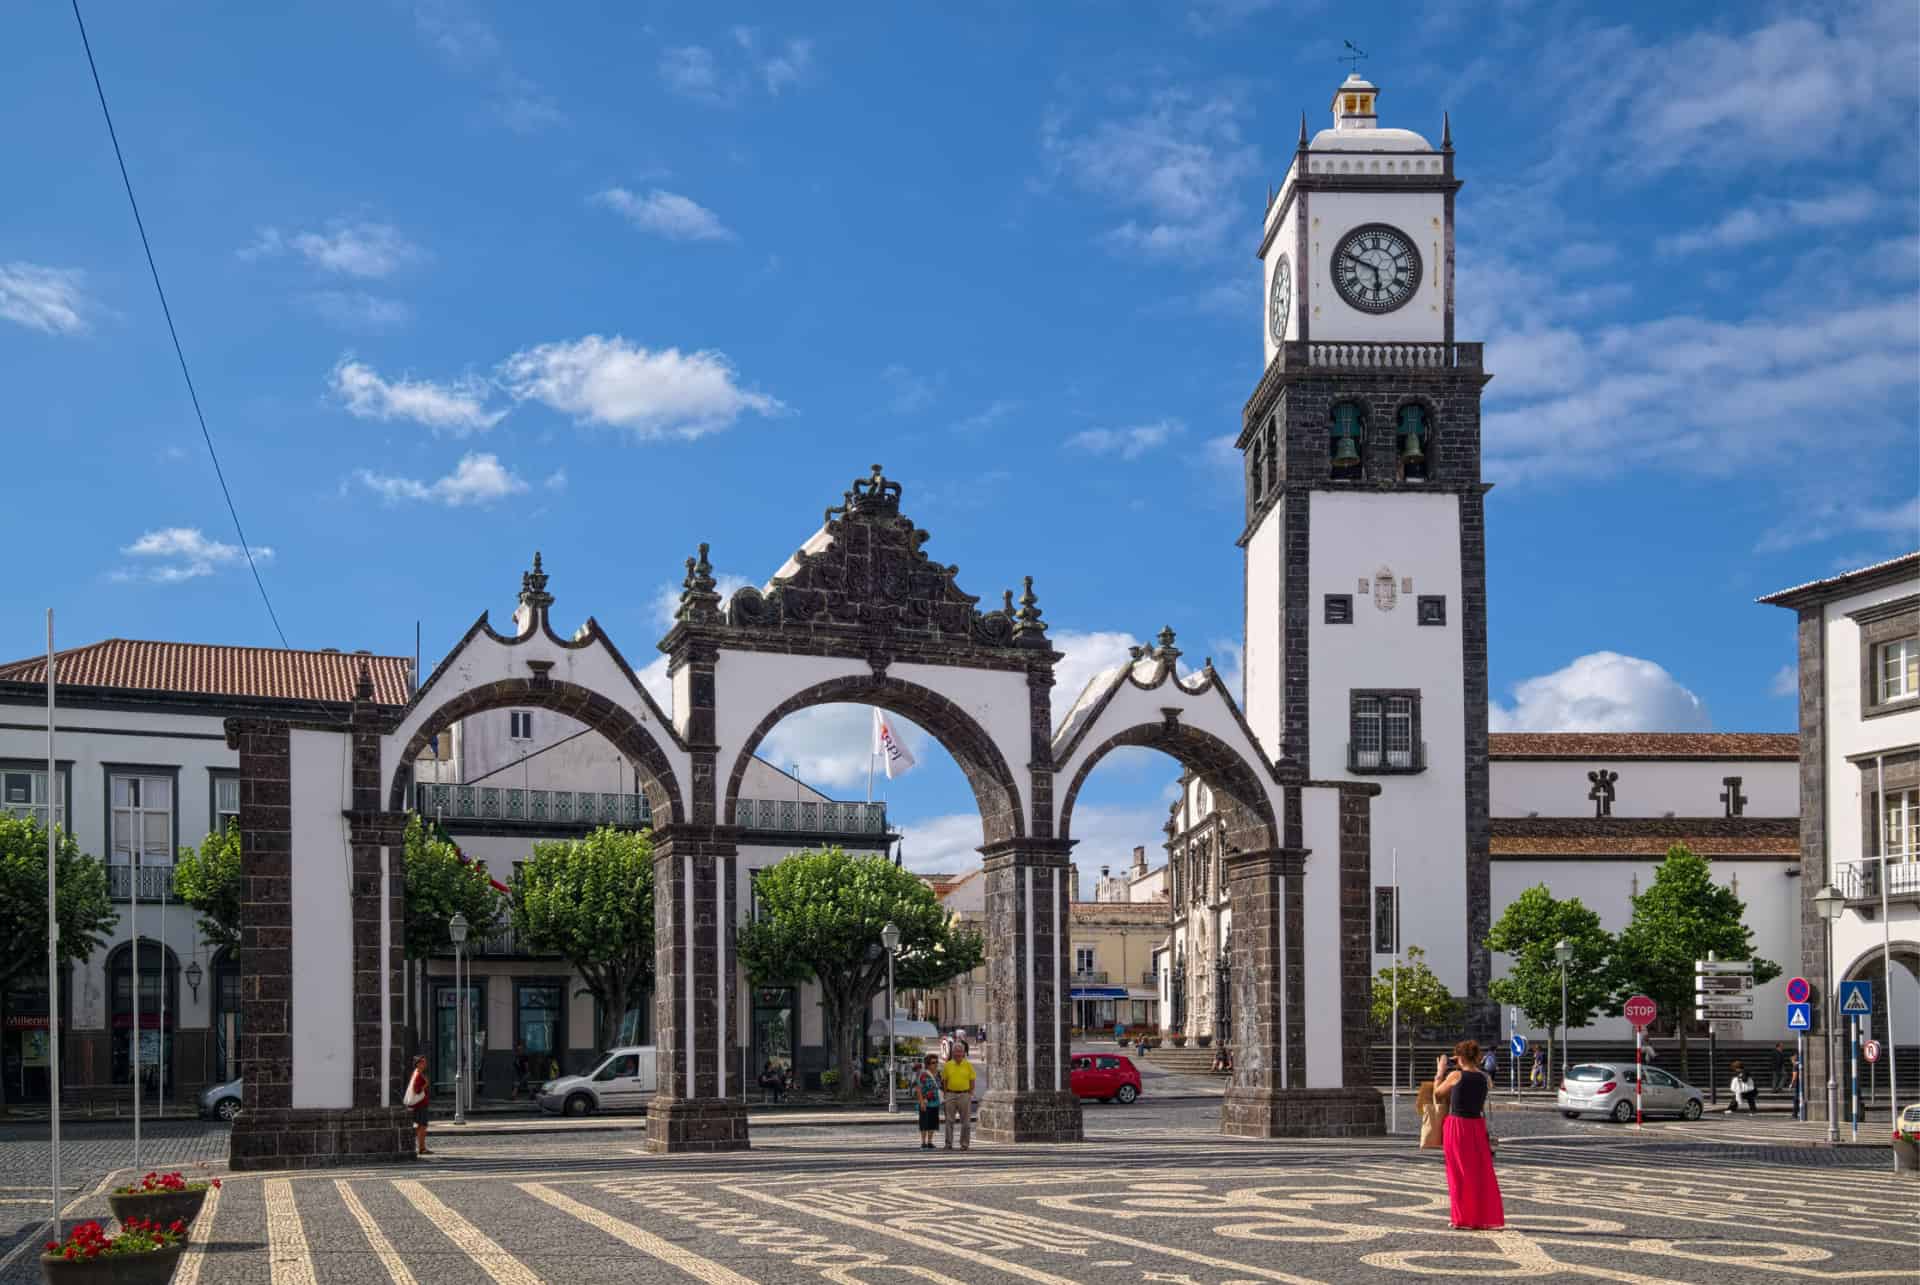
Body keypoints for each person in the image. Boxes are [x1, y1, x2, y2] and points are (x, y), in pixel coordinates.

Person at [1433, 1042, 1504, 1231]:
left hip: (1458, 1127)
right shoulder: (1484, 1078)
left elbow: (1437, 1094)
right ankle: (1480, 1217)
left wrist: (1440, 1072)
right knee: (1477, 1173)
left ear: (1461, 1058)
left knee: (1457, 1173)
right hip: (1477, 1127)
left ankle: (1460, 1218)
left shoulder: (1455, 1075)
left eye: (1456, 1058)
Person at [940, 1041, 975, 1151]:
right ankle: (948, 1144)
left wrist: (970, 1093)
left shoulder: (968, 1065)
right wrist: (946, 1094)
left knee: (966, 1122)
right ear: (953, 1052)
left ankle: (964, 1144)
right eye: (956, 1051)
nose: (958, 1054)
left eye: (960, 1051)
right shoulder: (947, 1065)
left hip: (964, 1094)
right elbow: (944, 1081)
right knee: (949, 1121)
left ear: (964, 1053)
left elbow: (972, 1080)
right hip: (950, 1094)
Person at [912, 1053, 943, 1150]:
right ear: (928, 1064)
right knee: (924, 1122)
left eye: (936, 1062)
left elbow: (941, 1086)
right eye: (933, 1063)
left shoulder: (938, 1074)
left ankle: (930, 1142)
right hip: (925, 1102)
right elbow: (918, 1088)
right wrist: (921, 1102)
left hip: (935, 1102)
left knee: (933, 1123)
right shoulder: (923, 1074)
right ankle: (923, 1142)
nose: (936, 1064)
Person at [404, 1054, 432, 1156]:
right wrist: (425, 1085)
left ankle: (421, 1147)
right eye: (423, 1062)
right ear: (418, 1064)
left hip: (420, 1103)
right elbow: (416, 1090)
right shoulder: (418, 1074)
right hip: (420, 1104)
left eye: (425, 1062)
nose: (425, 1064)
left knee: (421, 1126)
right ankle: (421, 1148)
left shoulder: (417, 1073)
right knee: (422, 1126)